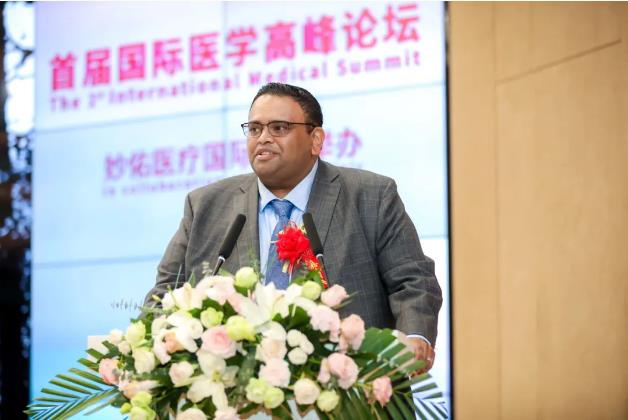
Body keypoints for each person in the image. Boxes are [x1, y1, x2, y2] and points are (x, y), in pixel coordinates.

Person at [144, 82, 442, 373]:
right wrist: (148, 351)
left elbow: (413, 280)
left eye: (279, 128)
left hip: (353, 384)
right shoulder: (206, 205)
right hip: (237, 389)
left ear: (316, 140)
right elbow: (164, 294)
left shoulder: (370, 195)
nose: (263, 138)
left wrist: (415, 337)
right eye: (255, 129)